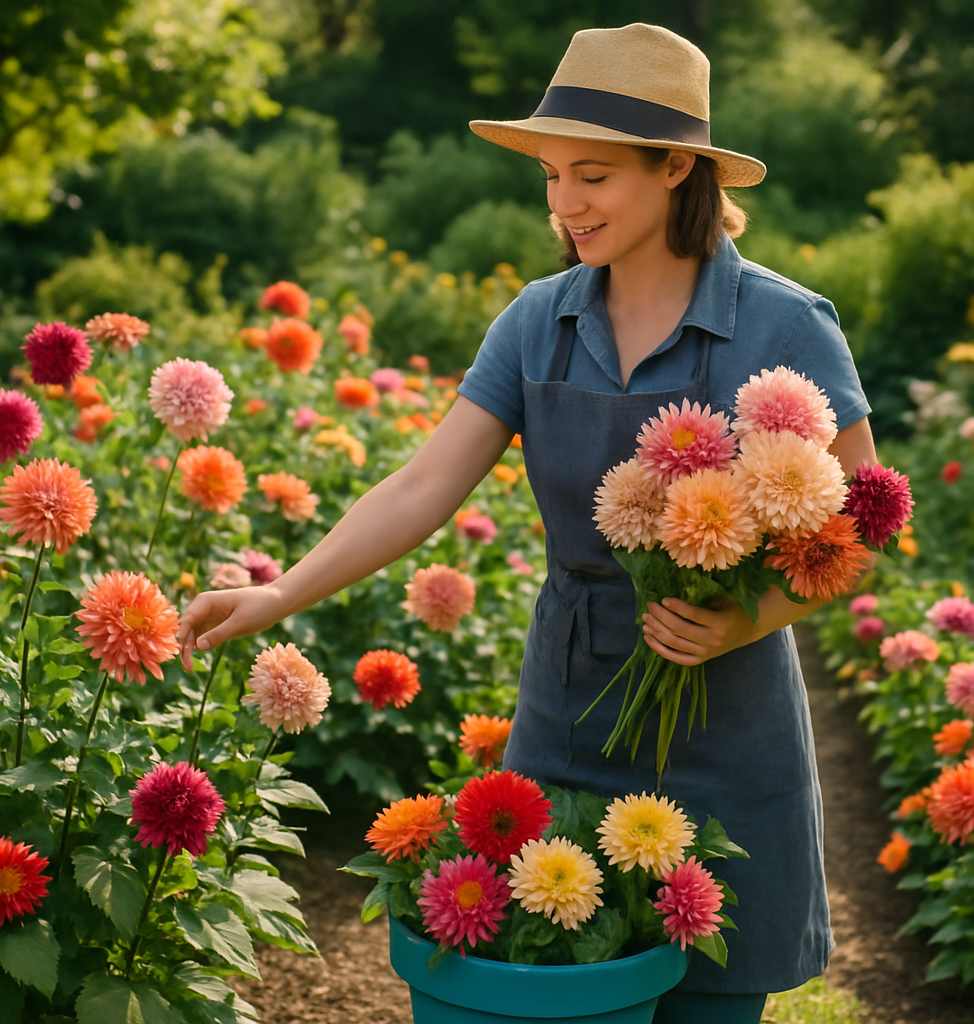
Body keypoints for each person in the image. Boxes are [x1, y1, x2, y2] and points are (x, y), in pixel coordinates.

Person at [179, 22, 877, 1024]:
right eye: (550, 176)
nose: (563, 203)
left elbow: (864, 521)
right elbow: (422, 486)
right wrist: (283, 589)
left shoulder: (786, 324)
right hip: (567, 713)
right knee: (551, 989)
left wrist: (748, 616)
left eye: (590, 175)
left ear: (676, 164)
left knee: (709, 998)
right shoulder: (536, 319)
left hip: (729, 724)